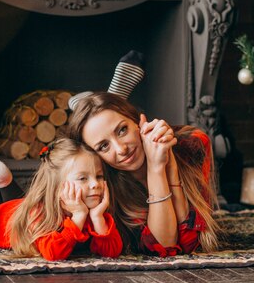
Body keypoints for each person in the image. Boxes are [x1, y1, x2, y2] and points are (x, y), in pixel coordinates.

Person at [0, 138, 123, 261]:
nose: (95, 184)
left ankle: (4, 179)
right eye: (83, 178)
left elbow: (111, 252)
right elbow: (53, 253)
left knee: (20, 205)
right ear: (58, 187)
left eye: (99, 176)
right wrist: (79, 216)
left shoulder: (90, 211)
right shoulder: (42, 213)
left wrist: (97, 217)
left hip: (17, 211)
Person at [67, 91, 219, 257]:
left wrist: (171, 165)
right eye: (104, 146)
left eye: (122, 130)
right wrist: (156, 168)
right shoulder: (106, 187)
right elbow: (164, 246)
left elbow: (191, 244)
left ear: (138, 121)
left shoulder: (190, 144)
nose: (121, 149)